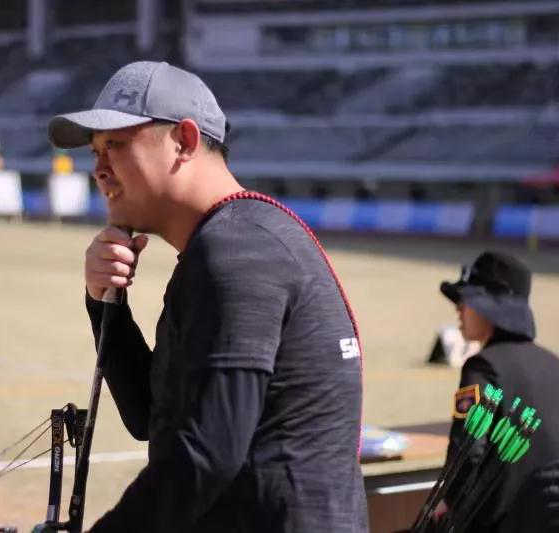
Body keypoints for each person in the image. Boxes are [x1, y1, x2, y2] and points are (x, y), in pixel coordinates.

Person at [47, 61, 368, 532]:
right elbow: (150, 417)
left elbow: (205, 454)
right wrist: (105, 303)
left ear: (184, 141)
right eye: (95, 152)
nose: (98, 169)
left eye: (115, 145)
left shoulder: (237, 253)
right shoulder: (227, 244)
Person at [434, 251, 559, 532]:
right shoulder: (553, 363)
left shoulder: (483, 366)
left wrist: (448, 500)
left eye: (466, 300)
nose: (458, 308)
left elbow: (469, 449)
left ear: (488, 308)